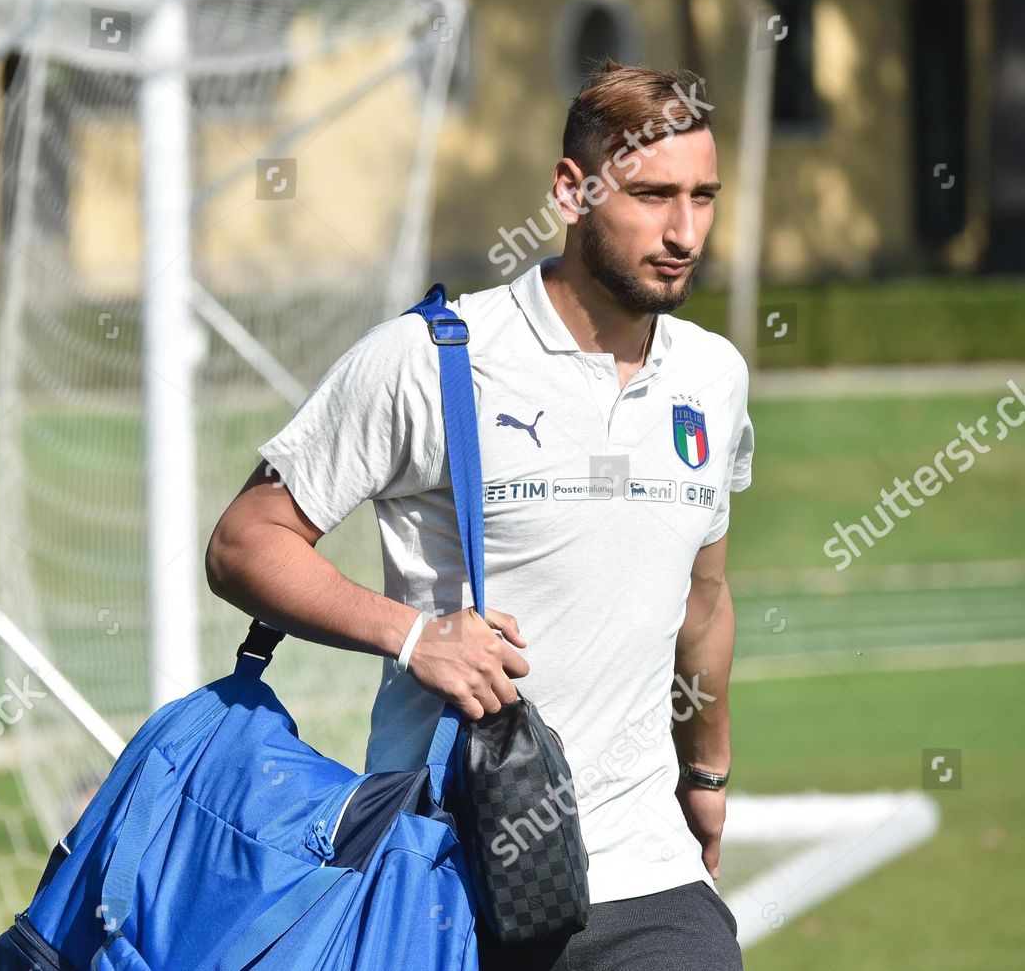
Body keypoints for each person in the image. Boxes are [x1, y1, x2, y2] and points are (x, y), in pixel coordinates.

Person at [205, 59, 753, 969]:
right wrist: (418, 638)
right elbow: (243, 544)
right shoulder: (428, 359)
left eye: (704, 196)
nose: (684, 231)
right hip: (444, 873)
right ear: (572, 192)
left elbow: (704, 596)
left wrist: (706, 773)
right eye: (653, 196)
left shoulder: (714, 375)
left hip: (646, 878)